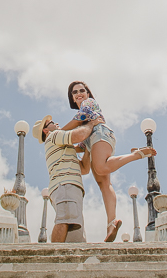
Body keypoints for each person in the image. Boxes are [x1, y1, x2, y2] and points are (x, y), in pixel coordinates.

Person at [61, 81, 155, 242]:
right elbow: (82, 147)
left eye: (82, 90)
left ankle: (137, 154)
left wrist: (58, 134)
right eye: (75, 92)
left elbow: (80, 118)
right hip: (94, 141)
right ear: (72, 98)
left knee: (101, 167)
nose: (79, 94)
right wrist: (63, 150)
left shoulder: (88, 103)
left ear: (88, 93)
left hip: (101, 134)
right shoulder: (85, 122)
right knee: (103, 184)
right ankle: (111, 224)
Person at [32, 114, 94, 243]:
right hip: (65, 184)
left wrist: (88, 147)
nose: (57, 123)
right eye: (52, 122)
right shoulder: (54, 136)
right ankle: (54, 258)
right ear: (46, 130)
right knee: (65, 220)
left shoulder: (63, 147)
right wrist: (91, 124)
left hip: (68, 186)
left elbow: (84, 168)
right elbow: (79, 135)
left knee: (74, 232)